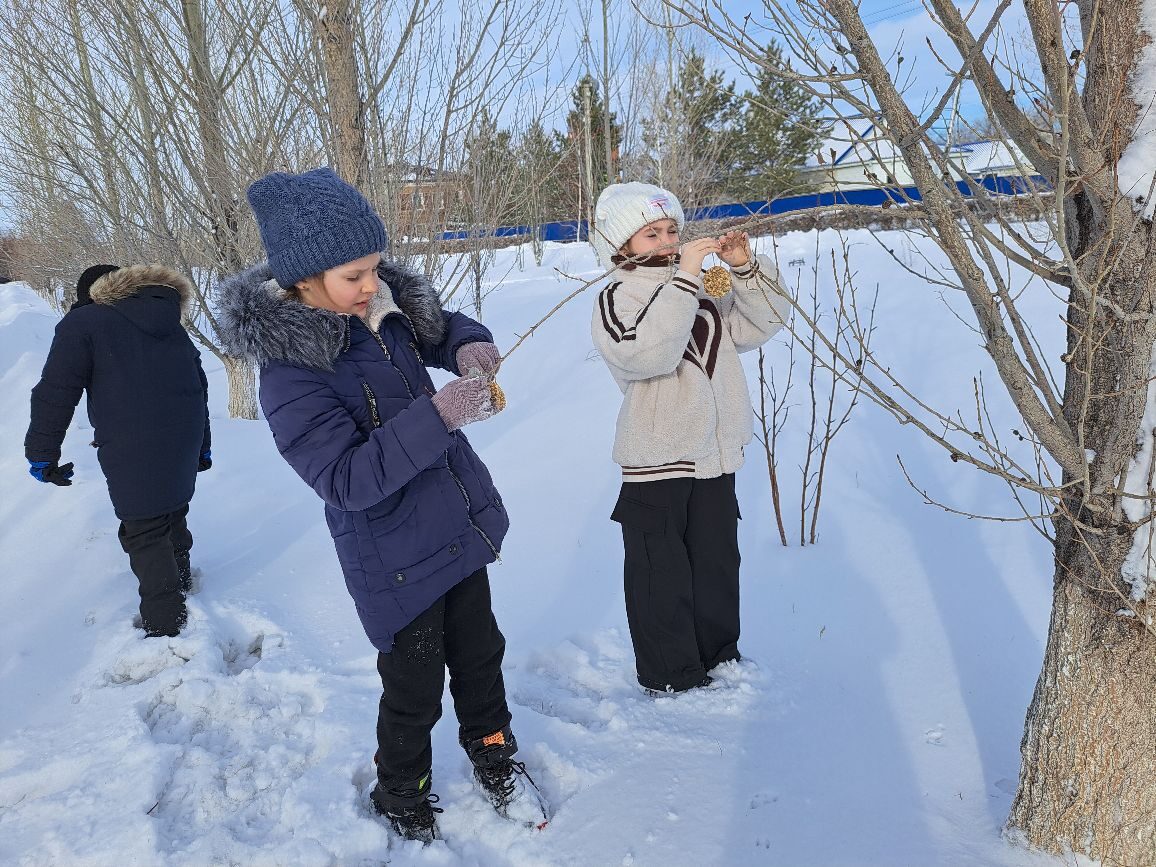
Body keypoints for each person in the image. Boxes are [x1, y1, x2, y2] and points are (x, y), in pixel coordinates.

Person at [217, 167, 546, 843]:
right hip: (395, 560)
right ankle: (402, 791)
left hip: (455, 527)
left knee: (481, 655)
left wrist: (466, 343)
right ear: (304, 277)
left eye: (375, 267)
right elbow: (344, 477)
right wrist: (441, 414)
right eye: (354, 275)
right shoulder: (290, 374)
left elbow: (442, 327)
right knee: (414, 688)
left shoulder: (383, 313)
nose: (373, 284)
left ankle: (494, 753)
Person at [590, 181, 791, 695]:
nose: (665, 240)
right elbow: (648, 354)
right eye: (649, 234)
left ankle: (719, 657)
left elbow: (765, 322)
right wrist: (683, 278)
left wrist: (744, 267)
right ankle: (669, 674)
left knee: (717, 562)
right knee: (661, 573)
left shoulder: (701, 288)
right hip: (656, 455)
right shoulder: (617, 298)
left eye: (671, 230)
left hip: (714, 454)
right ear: (621, 247)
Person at [25, 263, 212, 637]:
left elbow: (55, 392)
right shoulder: (168, 318)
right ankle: (182, 580)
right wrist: (202, 445)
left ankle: (166, 625)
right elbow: (197, 382)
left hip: (132, 441)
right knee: (172, 508)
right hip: (183, 435)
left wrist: (42, 453)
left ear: (89, 296)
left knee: (143, 528)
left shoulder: (84, 323)